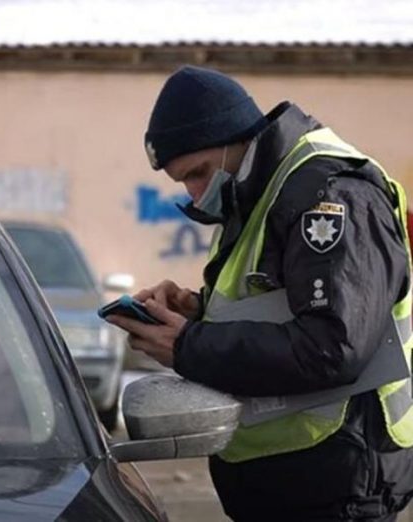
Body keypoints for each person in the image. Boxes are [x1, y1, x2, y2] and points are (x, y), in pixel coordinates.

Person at [105, 65, 413, 521]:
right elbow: (284, 303)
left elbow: (333, 346)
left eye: (199, 172)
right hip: (289, 487)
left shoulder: (328, 194)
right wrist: (199, 310)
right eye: (183, 182)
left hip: (338, 486)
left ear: (236, 140)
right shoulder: (255, 193)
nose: (194, 193)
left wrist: (187, 345)